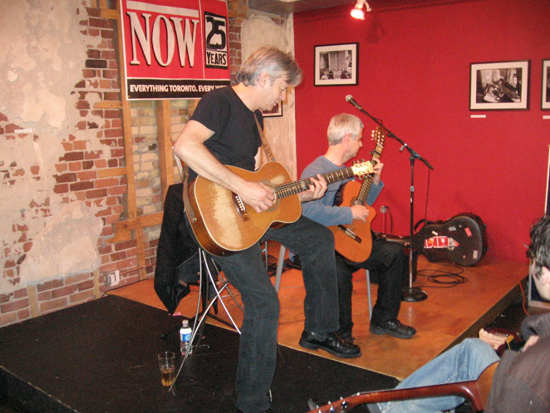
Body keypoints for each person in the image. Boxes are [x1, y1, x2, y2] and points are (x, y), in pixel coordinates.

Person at [172, 46, 360, 413]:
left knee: (318, 238)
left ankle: (319, 330)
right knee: (264, 302)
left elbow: (267, 183)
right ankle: (252, 402)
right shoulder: (220, 101)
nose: (284, 95)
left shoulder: (254, 119)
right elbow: (184, 146)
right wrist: (242, 188)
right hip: (218, 218)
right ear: (263, 78)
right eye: (283, 88)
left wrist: (304, 193)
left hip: (252, 214)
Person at [312, 215, 550, 413]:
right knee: (473, 349)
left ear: (545, 273)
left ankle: (388, 407)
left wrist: (519, 360)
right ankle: (388, 406)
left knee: (470, 356)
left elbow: (514, 397)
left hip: (512, 392)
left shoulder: (528, 376)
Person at [300, 113, 416, 343]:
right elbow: (308, 212)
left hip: (350, 239)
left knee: (394, 254)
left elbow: (361, 205)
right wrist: (348, 213)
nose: (362, 144)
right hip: (326, 243)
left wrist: (374, 181)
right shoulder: (315, 170)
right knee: (339, 274)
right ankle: (342, 333)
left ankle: (384, 319)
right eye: (359, 139)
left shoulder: (348, 170)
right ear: (347, 139)